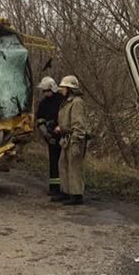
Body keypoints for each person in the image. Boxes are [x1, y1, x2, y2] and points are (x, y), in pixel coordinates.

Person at [52, 75, 87, 206]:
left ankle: (77, 194)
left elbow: (79, 124)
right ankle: (66, 191)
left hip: (74, 139)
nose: (61, 90)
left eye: (63, 87)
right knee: (63, 164)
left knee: (74, 166)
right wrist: (60, 128)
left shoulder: (77, 102)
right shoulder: (67, 102)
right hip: (66, 138)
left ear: (70, 88)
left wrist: (77, 141)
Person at [34, 76, 64, 197]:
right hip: (51, 137)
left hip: (63, 135)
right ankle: (54, 188)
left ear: (53, 88)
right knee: (53, 163)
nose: (45, 93)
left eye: (47, 90)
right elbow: (39, 119)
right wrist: (46, 133)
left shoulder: (62, 101)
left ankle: (65, 188)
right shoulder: (43, 104)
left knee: (63, 163)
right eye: (44, 91)